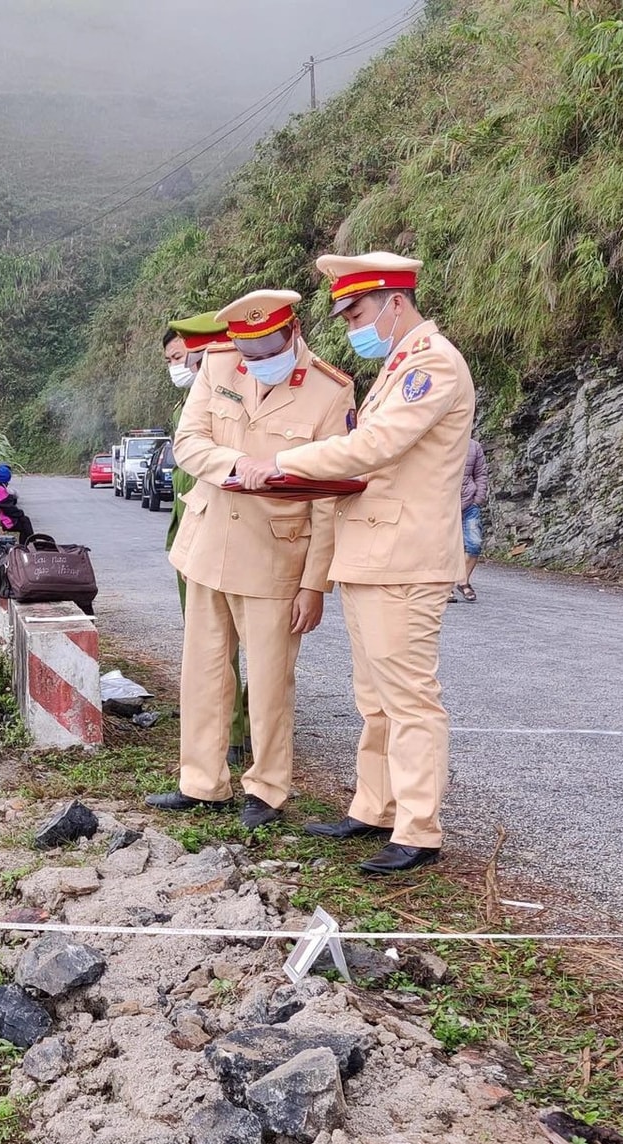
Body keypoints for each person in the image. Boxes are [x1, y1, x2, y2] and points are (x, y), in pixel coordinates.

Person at [235, 252, 475, 871]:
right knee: (374, 696)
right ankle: (376, 806)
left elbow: (375, 446)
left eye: (358, 313)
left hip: (405, 558)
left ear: (395, 302)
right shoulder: (397, 366)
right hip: (371, 555)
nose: (351, 329)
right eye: (344, 318)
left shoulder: (432, 365)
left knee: (410, 697)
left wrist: (284, 464)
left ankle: (419, 828)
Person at [152, 288, 352, 830]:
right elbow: (189, 442)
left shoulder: (331, 391)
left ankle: (266, 789)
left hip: (276, 557)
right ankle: (201, 782)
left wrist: (315, 584)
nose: (257, 363)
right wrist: (239, 464)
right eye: (248, 353)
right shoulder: (219, 364)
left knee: (268, 682)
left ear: (293, 333)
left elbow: (329, 498)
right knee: (203, 672)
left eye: (268, 351)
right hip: (207, 544)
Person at [163, 310, 252, 769]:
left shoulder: (246, 398)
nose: (179, 367)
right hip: (193, 537)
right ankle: (221, 735)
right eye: (175, 359)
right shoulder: (190, 405)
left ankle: (241, 730)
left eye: (184, 356)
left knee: (247, 643)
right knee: (207, 648)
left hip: (240, 536)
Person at [457, 435, 488, 602]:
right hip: (445, 505)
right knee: (445, 548)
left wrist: (478, 499)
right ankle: (445, 588)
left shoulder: (474, 447)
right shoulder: (439, 442)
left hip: (469, 504)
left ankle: (463, 581)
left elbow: (481, 474)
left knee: (474, 544)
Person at [0, 464, 34, 541]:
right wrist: (19, 513)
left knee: (25, 521)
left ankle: (27, 545)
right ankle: (30, 544)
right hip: (0, 519)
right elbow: (7, 508)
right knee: (24, 523)